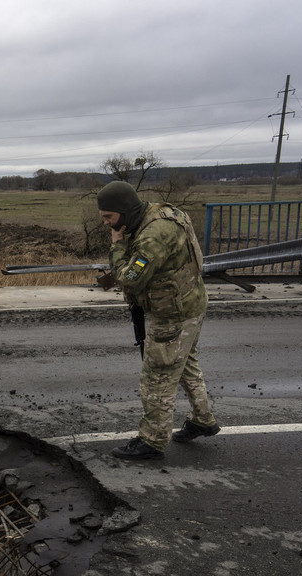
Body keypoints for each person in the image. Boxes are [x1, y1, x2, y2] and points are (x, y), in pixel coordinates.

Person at [96, 181, 220, 460]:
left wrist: (117, 247)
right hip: (193, 302)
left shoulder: (152, 236)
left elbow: (129, 278)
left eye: (109, 218)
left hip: (173, 315)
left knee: (157, 377)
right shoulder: (165, 212)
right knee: (185, 364)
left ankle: (152, 441)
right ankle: (203, 419)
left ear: (125, 212)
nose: (106, 224)